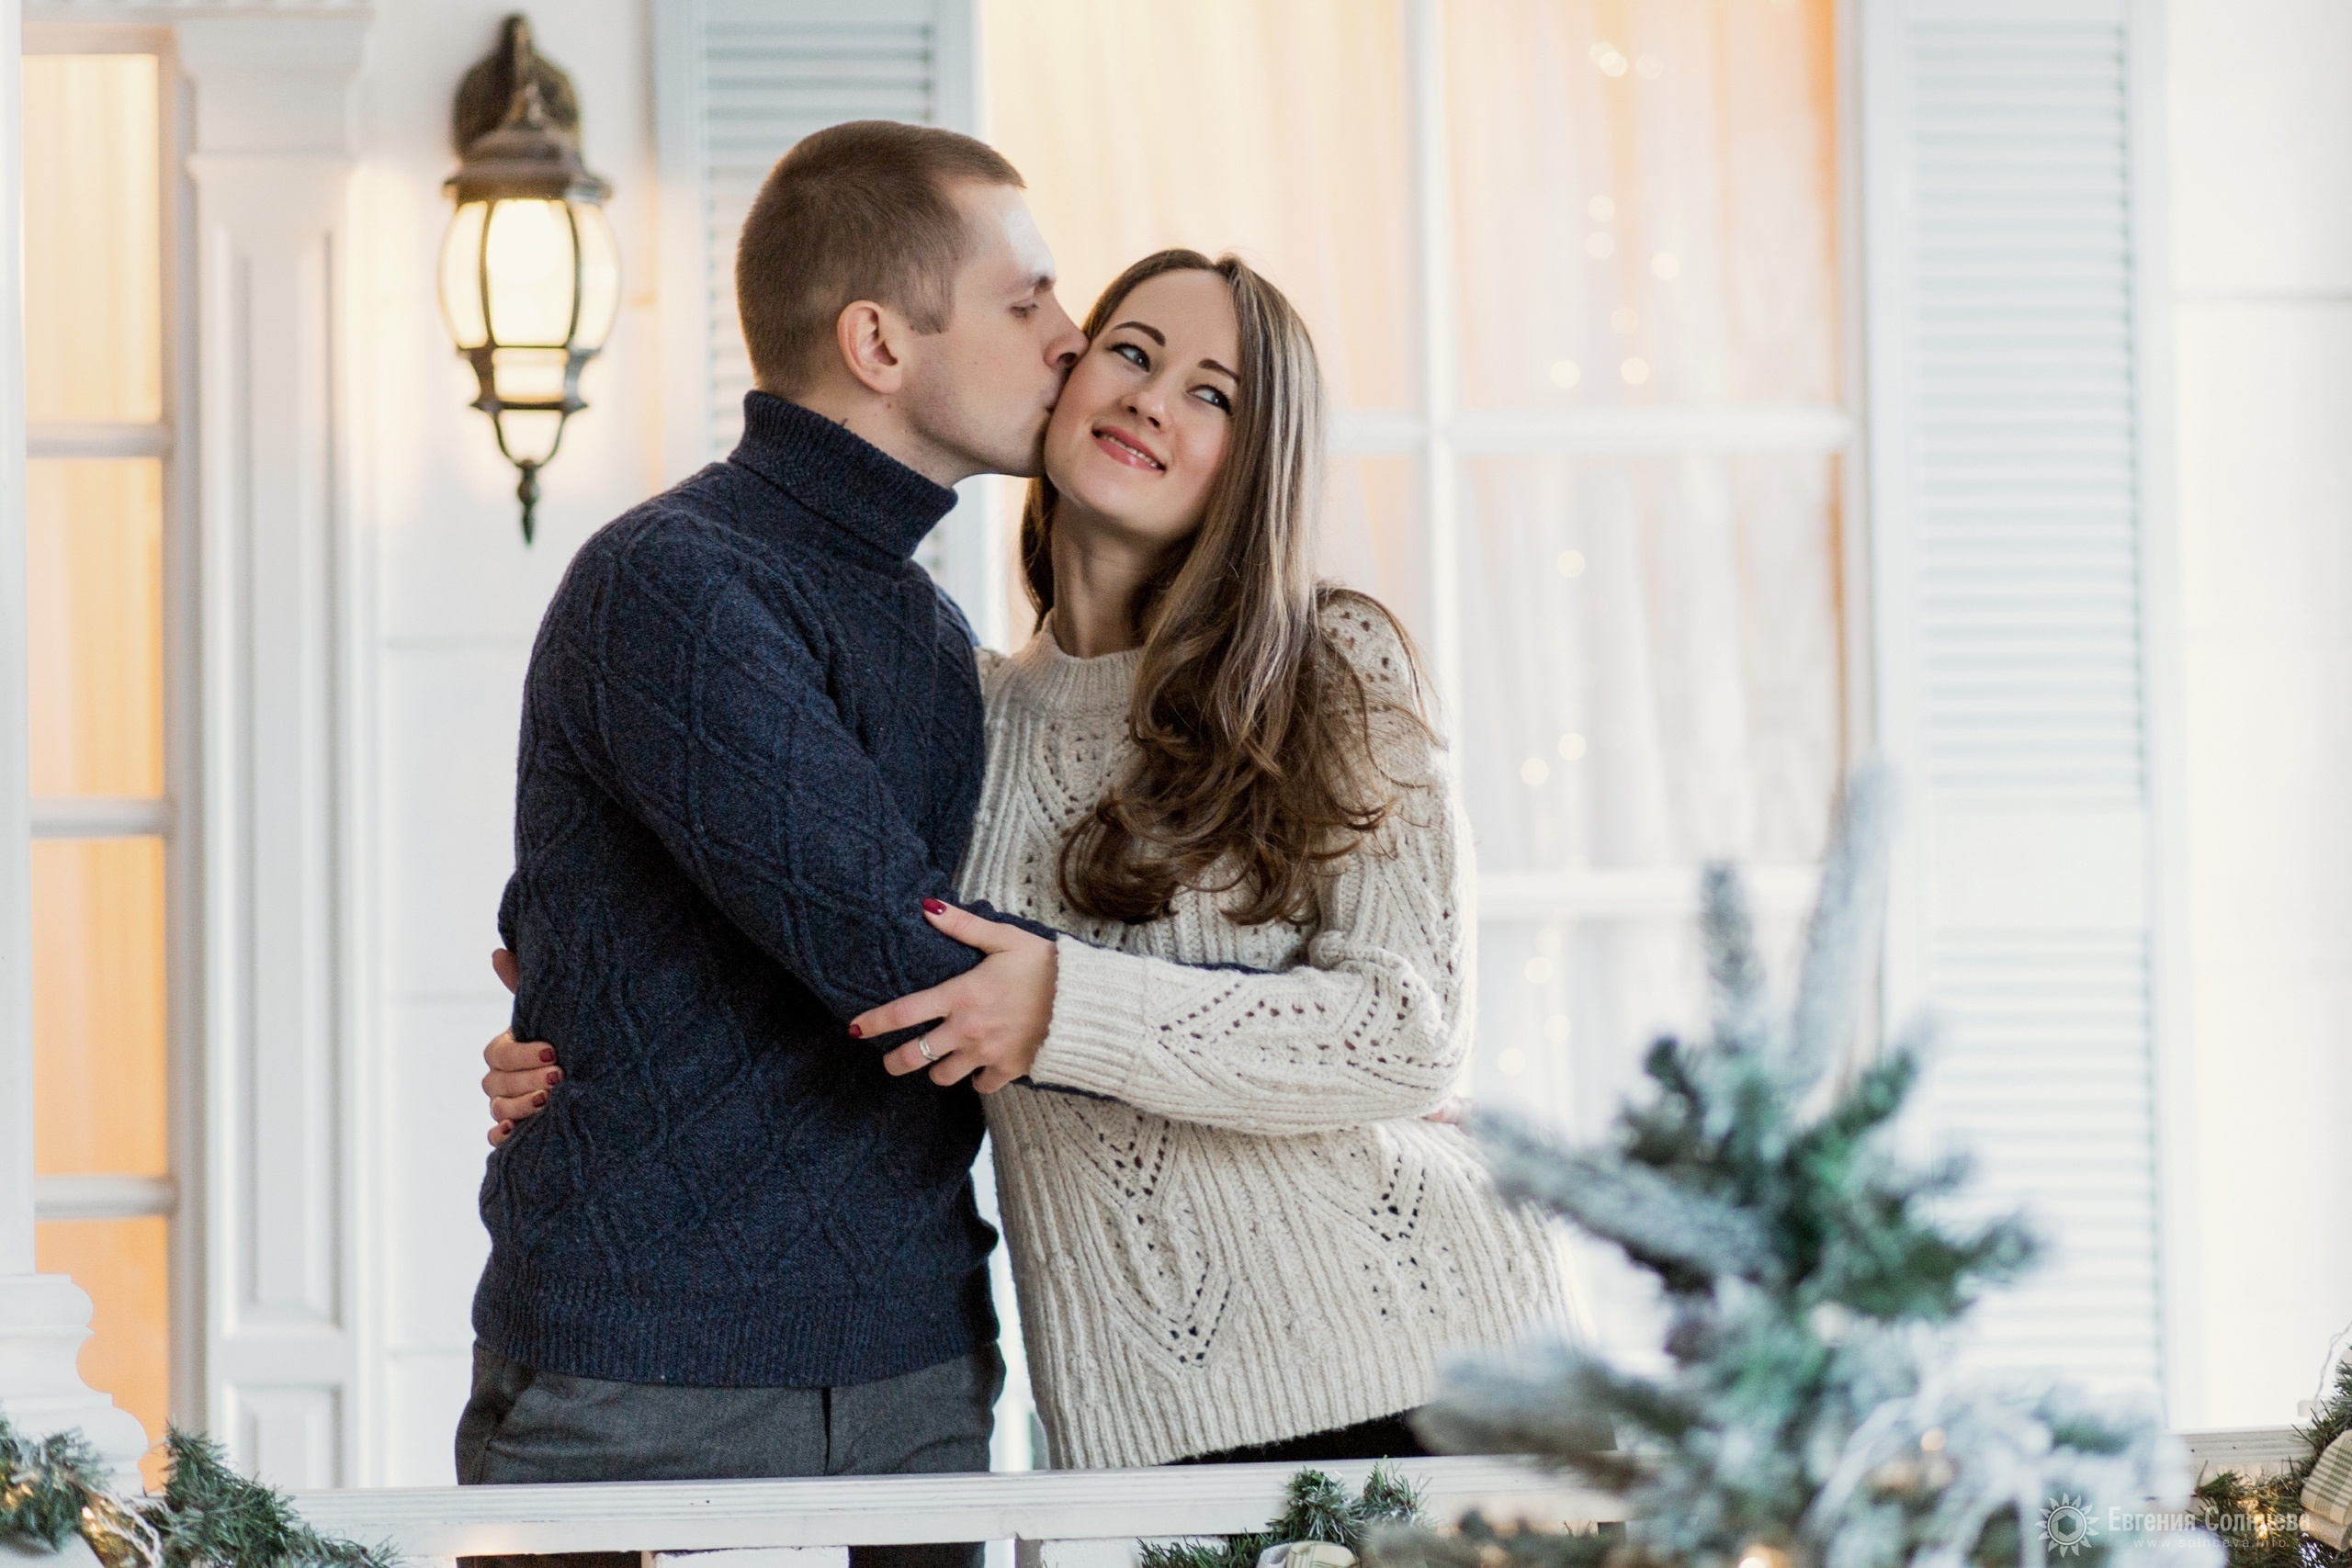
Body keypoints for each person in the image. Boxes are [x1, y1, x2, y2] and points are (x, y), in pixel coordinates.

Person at [487, 249, 1571, 1471]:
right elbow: (830, 950)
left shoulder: (1331, 669)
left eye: (1215, 394)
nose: (1154, 399)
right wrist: (590, 1038)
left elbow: (1406, 1034)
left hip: (1418, 1365)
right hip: (1130, 1422)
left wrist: (1067, 1007)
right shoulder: (957, 703)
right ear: (1066, 379)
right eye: (1133, 352)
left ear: (1258, 463)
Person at [455, 119, 1083, 1568]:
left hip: (913, 1367)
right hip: (641, 1380)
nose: (1070, 337)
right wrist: (1234, 1041)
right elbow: (898, 958)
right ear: (879, 340)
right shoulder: (674, 581)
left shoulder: (929, 628)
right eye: (1026, 299)